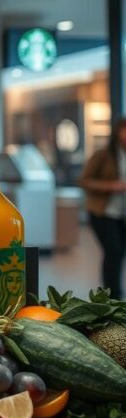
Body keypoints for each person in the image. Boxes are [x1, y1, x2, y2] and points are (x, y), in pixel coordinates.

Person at [80, 117, 126, 299]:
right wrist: (111, 186)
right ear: (118, 132)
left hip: (123, 214)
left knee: (120, 253)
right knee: (113, 251)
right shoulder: (103, 155)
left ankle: (115, 293)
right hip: (103, 213)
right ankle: (111, 295)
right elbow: (84, 180)